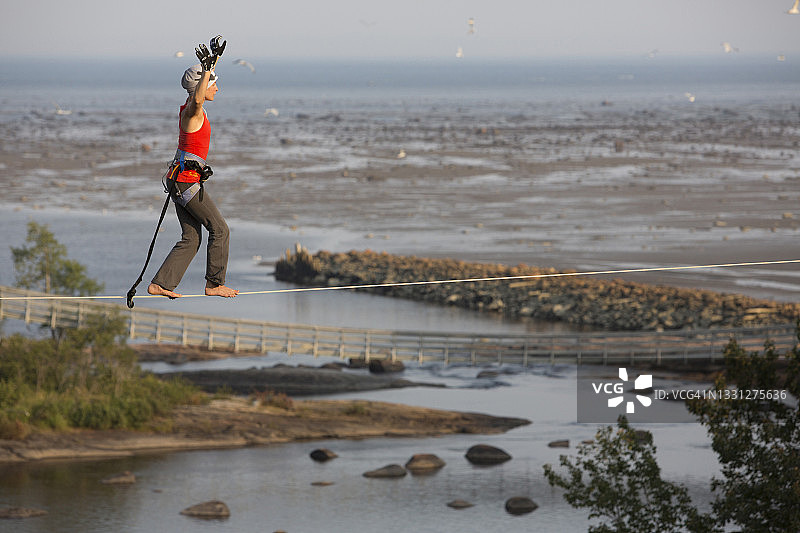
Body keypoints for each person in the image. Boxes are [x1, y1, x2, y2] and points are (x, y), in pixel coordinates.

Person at [148, 36, 238, 299]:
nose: (217, 89)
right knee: (220, 229)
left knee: (191, 238)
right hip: (186, 182)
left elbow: (201, 92)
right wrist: (207, 71)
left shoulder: (192, 110)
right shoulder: (192, 111)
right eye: (213, 85)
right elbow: (198, 100)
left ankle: (160, 284)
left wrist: (212, 63)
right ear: (201, 87)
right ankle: (214, 284)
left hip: (181, 181)